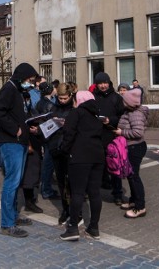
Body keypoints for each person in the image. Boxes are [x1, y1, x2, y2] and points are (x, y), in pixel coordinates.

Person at [0, 62, 39, 238]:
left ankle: (12, 216)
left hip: (19, 141)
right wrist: (15, 129)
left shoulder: (18, 91)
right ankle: (7, 223)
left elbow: (17, 114)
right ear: (21, 77)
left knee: (16, 181)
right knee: (11, 182)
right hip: (11, 141)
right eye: (29, 80)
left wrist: (29, 127)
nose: (31, 83)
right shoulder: (9, 89)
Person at [59, 91, 104, 241]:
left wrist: (64, 150)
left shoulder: (76, 113)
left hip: (79, 156)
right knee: (95, 192)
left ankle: (72, 228)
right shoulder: (96, 114)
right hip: (97, 156)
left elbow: (68, 134)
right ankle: (94, 227)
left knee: (77, 192)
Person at [92, 72, 127, 206]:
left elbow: (122, 117)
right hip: (96, 136)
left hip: (112, 135)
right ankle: (95, 190)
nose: (103, 86)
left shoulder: (116, 98)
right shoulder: (93, 97)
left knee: (114, 165)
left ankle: (117, 193)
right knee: (97, 166)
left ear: (109, 82)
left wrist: (110, 120)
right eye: (100, 83)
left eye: (105, 83)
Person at [115, 88, 149, 218]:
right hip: (131, 146)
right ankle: (134, 200)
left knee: (134, 177)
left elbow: (138, 132)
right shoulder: (129, 111)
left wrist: (121, 132)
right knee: (130, 175)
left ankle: (140, 207)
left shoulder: (135, 113)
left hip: (135, 147)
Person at [48, 82, 77, 225]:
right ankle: (65, 210)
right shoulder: (54, 108)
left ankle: (74, 211)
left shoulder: (75, 108)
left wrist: (68, 124)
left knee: (72, 182)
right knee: (61, 182)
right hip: (56, 148)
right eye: (60, 98)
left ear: (70, 96)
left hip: (70, 149)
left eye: (65, 98)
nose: (63, 101)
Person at [35, 81, 59, 200]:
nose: (56, 90)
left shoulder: (39, 103)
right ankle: (46, 190)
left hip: (43, 136)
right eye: (54, 88)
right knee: (48, 164)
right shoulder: (50, 105)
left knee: (47, 163)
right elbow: (51, 122)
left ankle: (46, 188)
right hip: (50, 136)